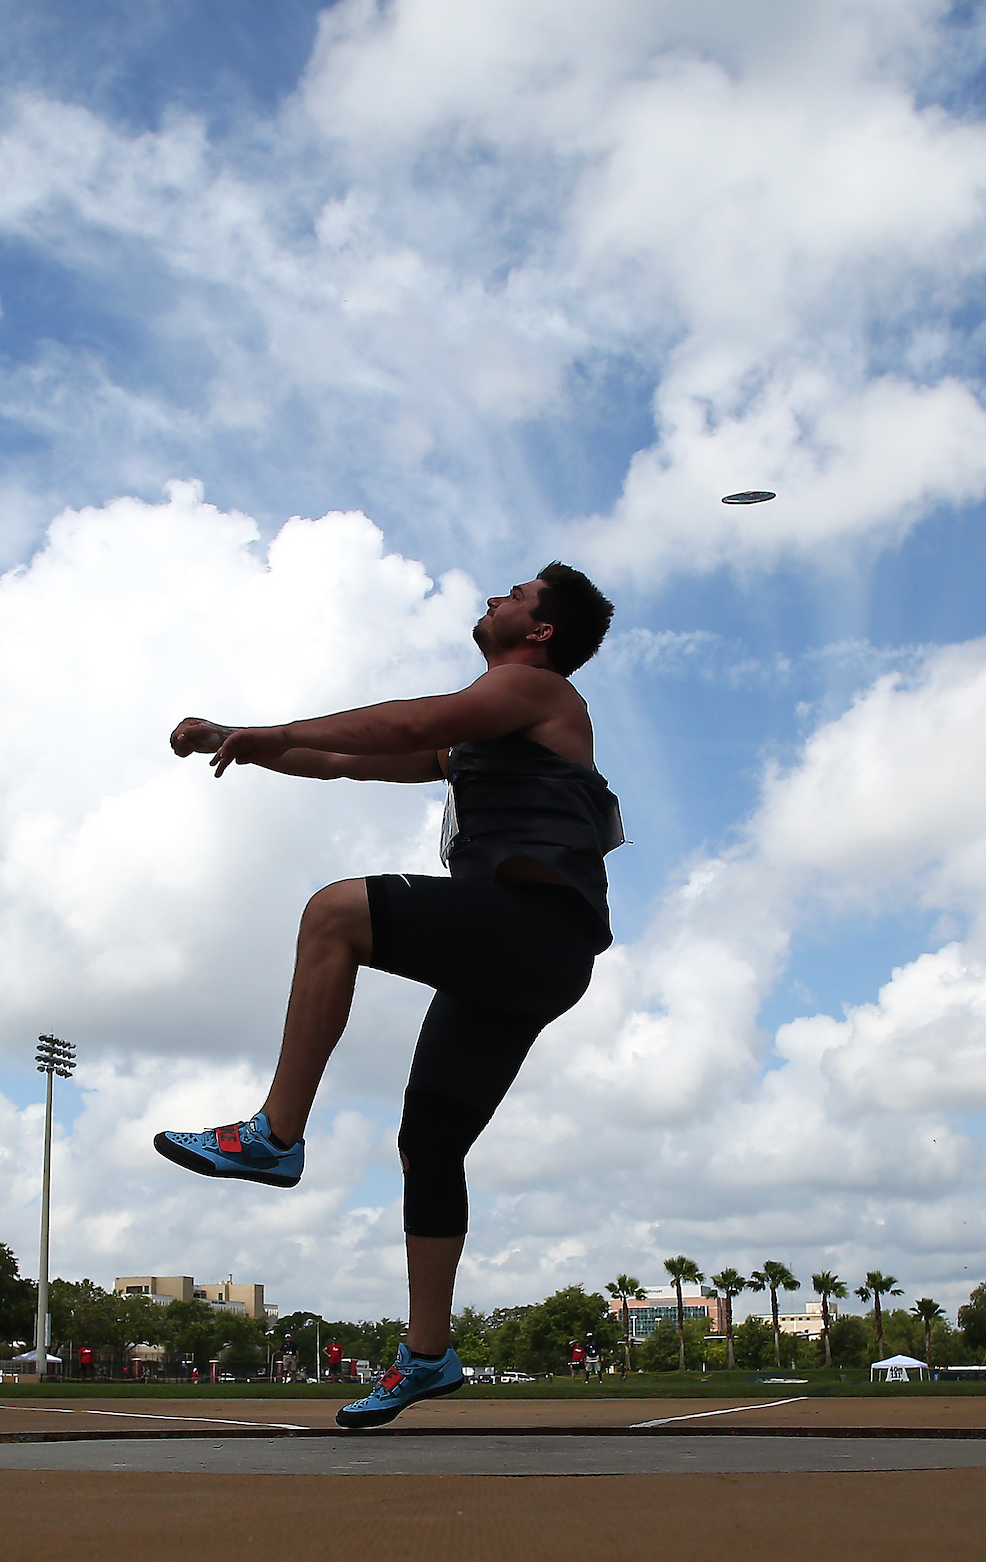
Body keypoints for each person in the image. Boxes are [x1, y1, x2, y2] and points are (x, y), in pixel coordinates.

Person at [152, 563, 620, 1429]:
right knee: (430, 1145)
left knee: (335, 914)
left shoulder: (536, 689)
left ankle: (273, 1136)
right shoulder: (485, 739)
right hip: (524, 959)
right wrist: (248, 741)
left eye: (514, 595)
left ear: (540, 631)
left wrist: (266, 726)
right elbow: (344, 762)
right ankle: (430, 1355)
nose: (494, 598)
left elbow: (404, 719)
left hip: (532, 927)